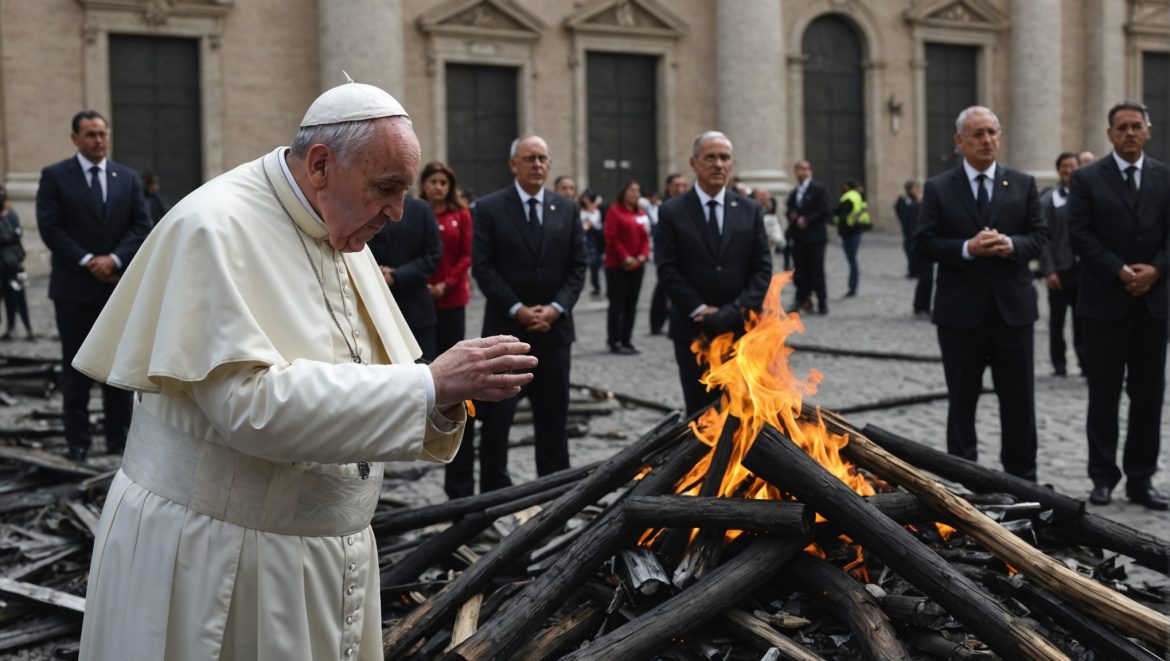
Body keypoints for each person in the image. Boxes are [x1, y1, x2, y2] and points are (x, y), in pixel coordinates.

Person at [70, 81, 536, 658]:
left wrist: (438, 402)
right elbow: (249, 406)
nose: (397, 212)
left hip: (325, 557)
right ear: (320, 165)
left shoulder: (342, 230)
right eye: (385, 188)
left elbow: (369, 373)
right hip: (218, 559)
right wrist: (430, 385)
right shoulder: (214, 228)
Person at [914, 105, 1048, 481]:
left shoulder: (1022, 183)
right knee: (962, 402)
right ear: (959, 142)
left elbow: (1040, 237)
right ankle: (963, 480)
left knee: (1019, 401)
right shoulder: (939, 188)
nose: (987, 140)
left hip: (1013, 312)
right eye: (978, 134)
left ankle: (1023, 479)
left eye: (992, 132)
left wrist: (1012, 244)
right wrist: (965, 249)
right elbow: (923, 243)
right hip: (961, 314)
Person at [1068, 100, 1170, 510]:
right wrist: (1120, 271)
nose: (1129, 133)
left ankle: (1142, 480)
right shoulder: (1088, 178)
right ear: (1110, 134)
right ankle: (1103, 477)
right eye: (1121, 127)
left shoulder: (1165, 176)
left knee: (1148, 395)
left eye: (1136, 126)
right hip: (1105, 303)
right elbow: (1079, 233)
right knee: (1104, 394)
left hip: (1153, 304)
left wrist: (1156, 271)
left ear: (1148, 131)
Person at [471, 135, 587, 491]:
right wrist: (518, 310)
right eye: (530, 158)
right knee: (497, 420)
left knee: (553, 419)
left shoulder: (566, 209)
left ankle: (555, 492)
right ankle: (492, 496)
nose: (537, 165)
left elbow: (577, 267)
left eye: (543, 158)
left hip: (554, 334)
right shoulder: (490, 208)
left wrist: (555, 308)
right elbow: (484, 267)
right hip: (507, 332)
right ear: (513, 164)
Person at [36, 110, 152, 462]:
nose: (98, 140)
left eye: (102, 133)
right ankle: (78, 442)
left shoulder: (127, 178)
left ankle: (118, 440)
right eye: (90, 134)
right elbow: (51, 228)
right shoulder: (55, 177)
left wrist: (113, 260)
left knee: (117, 368)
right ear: (75, 138)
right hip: (74, 290)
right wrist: (88, 260)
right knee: (75, 371)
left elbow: (141, 226)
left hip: (115, 288)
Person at [655, 131, 771, 415]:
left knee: (741, 415)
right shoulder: (672, 211)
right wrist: (699, 308)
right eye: (711, 158)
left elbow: (762, 268)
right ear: (694, 163)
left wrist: (733, 311)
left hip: (740, 332)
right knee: (701, 417)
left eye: (725, 158)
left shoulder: (750, 210)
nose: (719, 164)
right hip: (693, 333)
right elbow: (667, 268)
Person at [417, 161, 477, 500]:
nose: (438, 187)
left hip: (452, 297)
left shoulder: (461, 215)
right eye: (433, 182)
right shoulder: (419, 213)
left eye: (443, 182)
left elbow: (466, 256)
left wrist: (446, 283)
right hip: (424, 299)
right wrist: (426, 283)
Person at [367, 195, 441, 359]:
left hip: (416, 309)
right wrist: (377, 272)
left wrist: (396, 276)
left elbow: (433, 256)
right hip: (377, 310)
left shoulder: (421, 209)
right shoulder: (364, 204)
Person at [1038, 152, 1085, 377]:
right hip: (1059, 270)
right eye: (1064, 167)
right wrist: (1049, 270)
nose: (1069, 171)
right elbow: (1043, 238)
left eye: (1072, 167)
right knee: (1057, 321)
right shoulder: (1049, 200)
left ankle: (1085, 361)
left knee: (1083, 320)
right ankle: (1059, 363)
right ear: (1059, 170)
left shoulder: (1087, 197)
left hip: (1083, 272)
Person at [603, 180, 651, 355]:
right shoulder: (614, 211)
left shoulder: (641, 212)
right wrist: (626, 258)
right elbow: (611, 238)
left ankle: (626, 339)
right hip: (617, 267)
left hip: (637, 265)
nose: (635, 193)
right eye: (632, 190)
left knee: (632, 304)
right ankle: (614, 340)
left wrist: (642, 256)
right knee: (617, 305)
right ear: (624, 192)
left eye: (638, 190)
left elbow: (646, 238)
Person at [786, 159, 831, 315]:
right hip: (799, 238)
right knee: (800, 272)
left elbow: (825, 209)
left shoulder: (819, 188)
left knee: (816, 271)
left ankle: (822, 302)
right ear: (796, 172)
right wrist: (792, 215)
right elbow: (789, 208)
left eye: (807, 169)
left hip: (815, 237)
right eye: (801, 169)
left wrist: (808, 219)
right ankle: (802, 299)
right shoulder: (795, 192)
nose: (804, 172)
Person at [649, 174, 688, 335]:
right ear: (669, 187)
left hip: (686, 255)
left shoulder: (690, 205)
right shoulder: (664, 207)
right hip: (668, 256)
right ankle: (657, 322)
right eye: (676, 185)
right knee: (663, 289)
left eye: (683, 185)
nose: (680, 189)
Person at [0, 186, 32, 340]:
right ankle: (8, 328)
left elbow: (17, 232)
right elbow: (11, 235)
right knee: (6, 299)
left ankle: (27, 329)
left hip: (14, 264)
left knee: (19, 297)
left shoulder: (11, 215)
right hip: (3, 265)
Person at [833, 178, 870, 298]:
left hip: (848, 231)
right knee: (852, 259)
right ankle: (853, 286)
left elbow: (840, 214)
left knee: (852, 259)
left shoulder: (847, 197)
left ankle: (852, 286)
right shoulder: (859, 197)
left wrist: (832, 218)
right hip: (856, 231)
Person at [895, 179, 920, 278]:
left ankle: (916, 270)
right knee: (910, 250)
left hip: (917, 230)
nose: (918, 190)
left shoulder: (917, 199)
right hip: (910, 231)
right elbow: (903, 216)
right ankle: (913, 270)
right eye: (915, 188)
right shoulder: (903, 200)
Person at [754, 186, 785, 256]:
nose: (764, 197)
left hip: (770, 240)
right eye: (761, 195)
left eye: (765, 195)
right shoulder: (753, 206)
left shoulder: (771, 204)